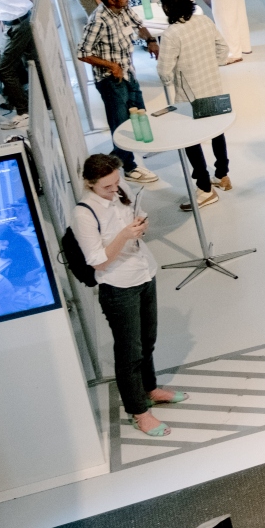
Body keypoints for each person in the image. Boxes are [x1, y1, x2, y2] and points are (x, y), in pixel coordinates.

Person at [72, 154, 185, 437]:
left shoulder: (121, 189)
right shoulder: (84, 213)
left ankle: (150, 389)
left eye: (116, 182)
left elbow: (136, 215)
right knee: (129, 352)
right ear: (89, 184)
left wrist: (140, 224)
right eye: (107, 187)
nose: (114, 189)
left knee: (148, 339)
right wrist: (124, 235)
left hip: (144, 272)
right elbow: (97, 261)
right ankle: (138, 412)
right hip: (118, 286)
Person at [76, 0, 159, 183]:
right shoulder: (98, 20)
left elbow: (138, 24)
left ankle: (132, 151)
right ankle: (127, 167)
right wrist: (112, 66)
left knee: (138, 112)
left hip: (129, 72)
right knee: (120, 124)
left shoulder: (123, 10)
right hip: (110, 81)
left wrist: (150, 40)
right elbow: (83, 52)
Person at [154, 0, 229, 210]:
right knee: (217, 133)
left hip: (189, 97)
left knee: (191, 141)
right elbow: (223, 50)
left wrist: (172, 78)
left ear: (167, 8)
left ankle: (205, 189)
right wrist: (210, 66)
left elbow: (164, 71)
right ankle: (222, 175)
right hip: (214, 88)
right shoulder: (204, 21)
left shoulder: (171, 34)